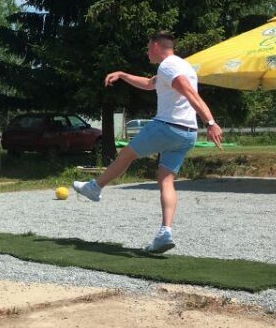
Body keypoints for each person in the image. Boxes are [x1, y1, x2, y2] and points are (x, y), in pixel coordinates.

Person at [73, 31, 223, 253]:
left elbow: (190, 93)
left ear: (155, 45)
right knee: (166, 180)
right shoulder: (181, 65)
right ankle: (165, 232)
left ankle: (95, 188)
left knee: (126, 155)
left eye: (147, 47)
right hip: (188, 134)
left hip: (167, 127)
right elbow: (149, 83)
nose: (146, 52)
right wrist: (123, 75)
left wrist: (211, 121)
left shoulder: (168, 66)